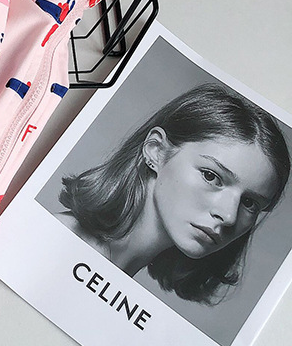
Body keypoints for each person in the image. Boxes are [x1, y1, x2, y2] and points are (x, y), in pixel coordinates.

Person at [56, 83, 290, 304]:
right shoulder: (63, 243)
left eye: (249, 202)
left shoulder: (113, 273)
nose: (229, 216)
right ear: (156, 150)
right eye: (211, 176)